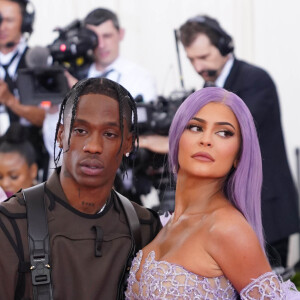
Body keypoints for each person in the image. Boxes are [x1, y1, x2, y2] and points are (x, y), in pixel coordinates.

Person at [125, 87, 300, 299]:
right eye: (196, 127)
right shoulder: (163, 225)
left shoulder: (228, 228)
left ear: (238, 155)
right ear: (176, 138)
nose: (206, 140)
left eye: (224, 133)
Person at [0, 77, 161, 299]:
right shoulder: (11, 222)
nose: (93, 147)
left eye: (109, 134)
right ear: (60, 134)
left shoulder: (146, 228)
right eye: (80, 131)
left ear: (128, 143)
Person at [178, 15, 299, 269]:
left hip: (267, 210)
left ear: (224, 47)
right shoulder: (207, 89)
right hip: (235, 211)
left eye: (204, 56)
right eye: (191, 60)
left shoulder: (256, 80)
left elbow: (238, 132)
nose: (199, 66)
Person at [43, 7, 157, 176]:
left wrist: (80, 92)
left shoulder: (139, 78)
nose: (101, 44)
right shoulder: (72, 74)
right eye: (95, 38)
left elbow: (132, 134)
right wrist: (53, 109)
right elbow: (54, 146)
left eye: (107, 36)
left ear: (121, 34)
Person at [0, 0, 48, 179]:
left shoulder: (37, 61)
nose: (2, 26)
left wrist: (10, 100)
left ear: (25, 22)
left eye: (9, 20)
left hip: (29, 160)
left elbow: (45, 117)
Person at [0, 122, 38, 197]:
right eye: (0, 177)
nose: (5, 184)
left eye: (14, 176)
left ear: (33, 171)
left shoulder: (49, 205)